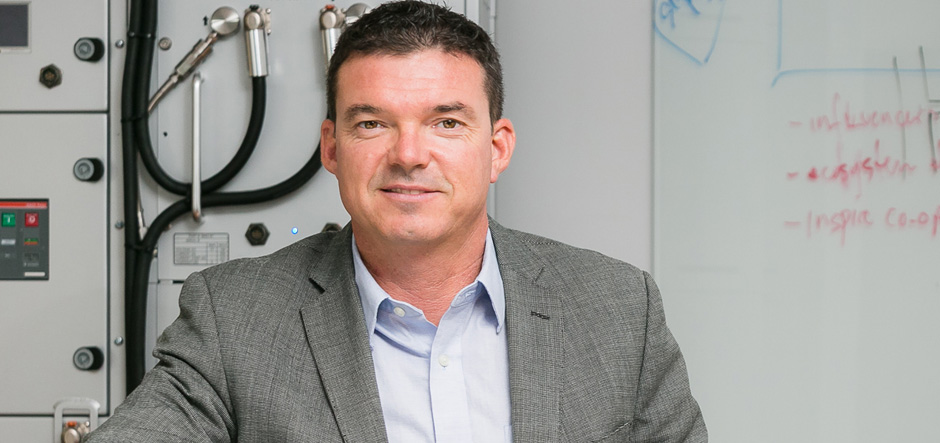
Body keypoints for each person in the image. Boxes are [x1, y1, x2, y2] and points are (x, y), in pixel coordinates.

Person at [89, 1, 706, 441]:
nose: (409, 154)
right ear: (332, 148)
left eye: (446, 122)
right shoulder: (234, 319)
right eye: (372, 123)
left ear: (497, 149)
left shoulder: (619, 309)